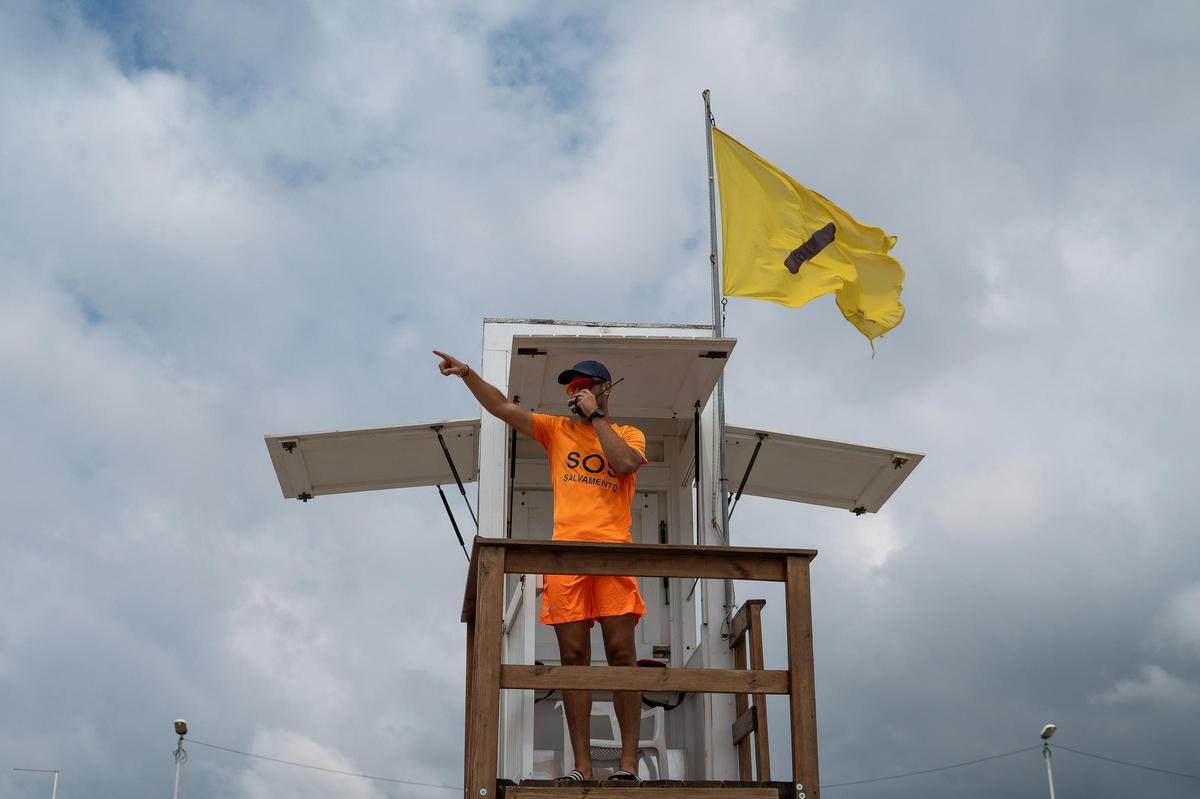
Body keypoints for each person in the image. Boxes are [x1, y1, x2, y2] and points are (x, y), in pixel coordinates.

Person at [433, 350, 647, 782]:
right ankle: (583, 766)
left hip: (613, 553)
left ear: (605, 389)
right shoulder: (556, 430)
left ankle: (627, 764)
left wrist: (597, 420)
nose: (576, 392)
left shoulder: (628, 433)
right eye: (572, 387)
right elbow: (501, 407)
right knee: (573, 657)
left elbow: (623, 464)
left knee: (622, 653)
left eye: (584, 385)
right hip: (565, 557)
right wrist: (468, 374)